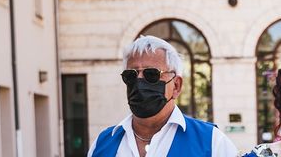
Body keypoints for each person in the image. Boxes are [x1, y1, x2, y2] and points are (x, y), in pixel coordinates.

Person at [87, 35, 238, 157]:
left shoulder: (211, 142)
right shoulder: (103, 143)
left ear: (176, 85)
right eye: (131, 75)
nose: (139, 81)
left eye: (151, 74)